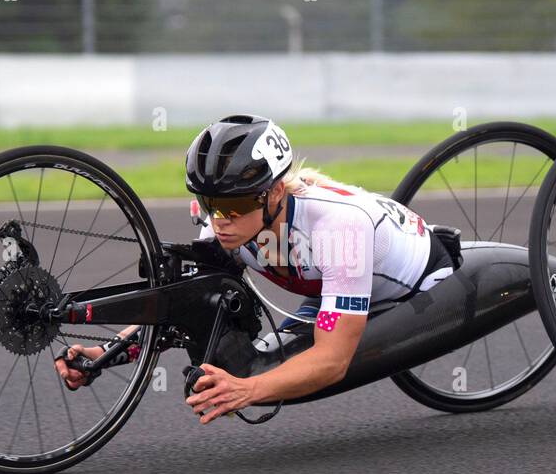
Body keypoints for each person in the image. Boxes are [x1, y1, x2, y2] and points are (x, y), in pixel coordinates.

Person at [55, 114, 456, 423]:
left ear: (275, 193)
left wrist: (245, 391)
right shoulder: (226, 225)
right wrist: (105, 355)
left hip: (418, 286)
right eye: (209, 205)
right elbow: (180, 307)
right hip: (330, 293)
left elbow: (333, 361)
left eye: (236, 206)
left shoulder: (338, 230)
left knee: (267, 375)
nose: (220, 220)